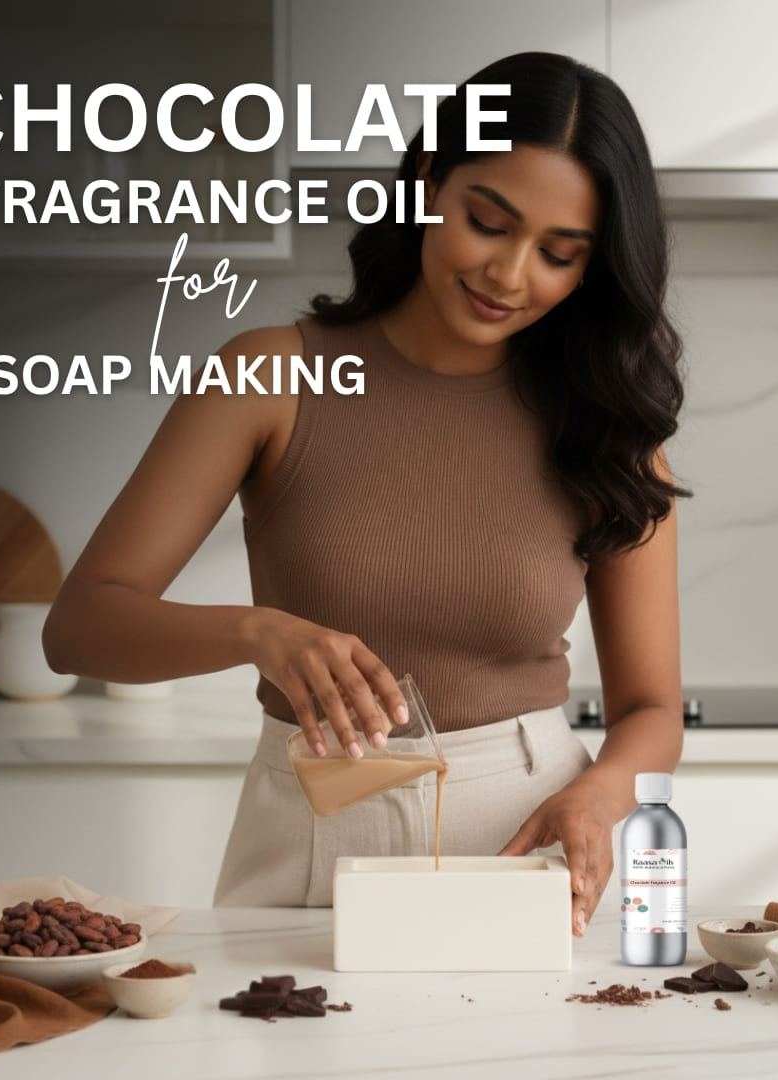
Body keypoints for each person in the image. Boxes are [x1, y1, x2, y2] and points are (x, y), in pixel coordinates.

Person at [43, 52, 689, 938]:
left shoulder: (611, 430)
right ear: (426, 181)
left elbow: (652, 710)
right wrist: (255, 632)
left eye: (558, 254)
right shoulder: (271, 374)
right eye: (487, 222)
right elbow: (77, 626)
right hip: (310, 840)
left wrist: (601, 794)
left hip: (526, 845)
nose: (509, 275)